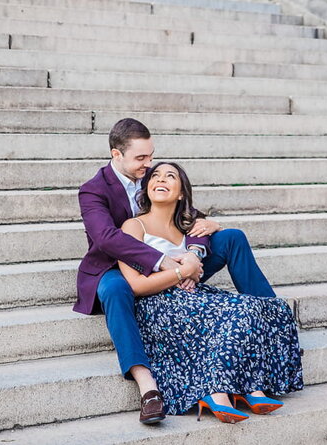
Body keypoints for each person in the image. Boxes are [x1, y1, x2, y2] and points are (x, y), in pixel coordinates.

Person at [74, 118, 276, 424]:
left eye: (151, 156)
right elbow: (106, 238)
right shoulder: (93, 190)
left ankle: (271, 321)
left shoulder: (150, 176)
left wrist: (197, 248)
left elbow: (188, 214)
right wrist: (163, 261)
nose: (149, 164)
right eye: (141, 158)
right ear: (117, 155)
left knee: (231, 238)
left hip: (173, 259)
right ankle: (147, 386)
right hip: (114, 267)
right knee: (115, 289)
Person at [118, 162, 303, 421]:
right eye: (155, 176)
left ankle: (251, 387)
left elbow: (209, 234)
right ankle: (218, 392)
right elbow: (135, 286)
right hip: (158, 305)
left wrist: (214, 225)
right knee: (236, 310)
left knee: (250, 306)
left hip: (192, 297)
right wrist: (181, 273)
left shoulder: (189, 225)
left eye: (170, 176)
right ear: (147, 188)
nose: (161, 179)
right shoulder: (133, 226)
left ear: (181, 192)